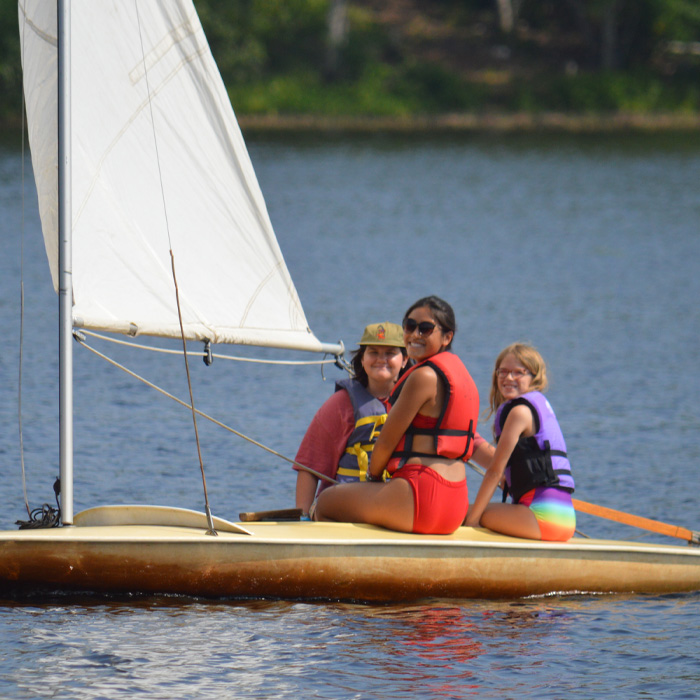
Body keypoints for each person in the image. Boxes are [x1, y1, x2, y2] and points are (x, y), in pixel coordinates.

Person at [313, 296, 481, 535]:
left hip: (420, 498)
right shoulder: (465, 380)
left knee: (326, 502)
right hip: (455, 504)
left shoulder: (423, 377)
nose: (415, 334)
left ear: (447, 337)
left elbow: (384, 444)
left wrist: (372, 480)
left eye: (425, 328)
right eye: (410, 326)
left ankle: (354, 569)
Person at [294, 322, 408, 517]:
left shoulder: (415, 401)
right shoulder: (341, 404)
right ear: (362, 359)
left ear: (405, 360)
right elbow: (309, 466)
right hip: (345, 507)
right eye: (373, 352)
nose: (381, 359)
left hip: (394, 505)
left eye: (390, 353)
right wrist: (302, 518)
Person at [465, 343, 576, 541]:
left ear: (534, 378)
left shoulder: (519, 412)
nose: (508, 378)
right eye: (503, 371)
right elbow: (505, 463)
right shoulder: (539, 406)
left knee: (461, 513)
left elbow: (494, 472)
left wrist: (471, 522)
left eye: (518, 373)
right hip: (565, 518)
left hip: (541, 517)